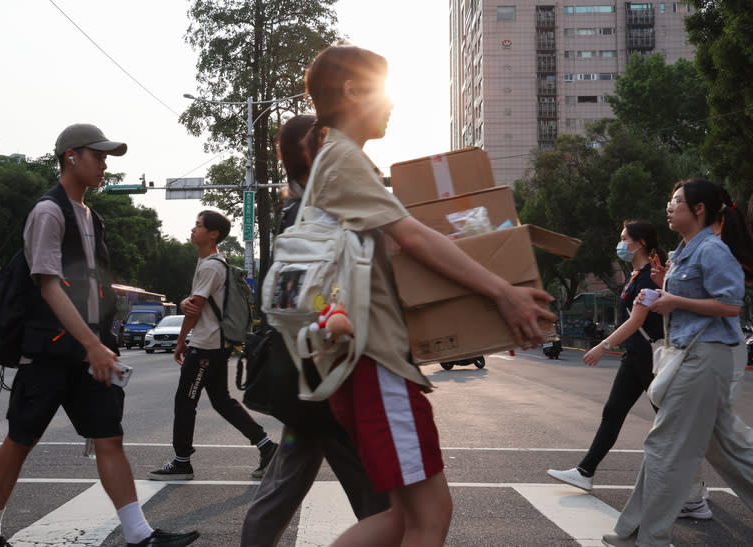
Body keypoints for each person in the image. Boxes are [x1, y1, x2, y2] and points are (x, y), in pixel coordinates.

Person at [299, 42, 556, 546]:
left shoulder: (342, 160)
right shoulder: (342, 159)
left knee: (404, 517)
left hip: (368, 360)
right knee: (428, 515)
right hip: (373, 363)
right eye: (383, 90)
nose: (392, 103)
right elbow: (413, 238)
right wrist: (502, 291)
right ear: (352, 90)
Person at [0, 123, 199, 547]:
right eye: (98, 155)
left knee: (110, 437)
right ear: (71, 156)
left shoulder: (93, 217)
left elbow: (95, 287)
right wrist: (92, 344)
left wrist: (103, 344)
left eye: (106, 157)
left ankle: (139, 535)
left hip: (88, 354)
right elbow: (48, 284)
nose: (105, 165)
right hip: (49, 352)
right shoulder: (48, 211)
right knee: (21, 440)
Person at [240, 115, 389, 547]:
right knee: (379, 502)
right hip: (332, 372)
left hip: (304, 373)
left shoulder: (296, 208)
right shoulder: (326, 204)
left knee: (284, 486)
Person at [602, 178, 753, 547]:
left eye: (677, 202)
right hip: (692, 355)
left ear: (699, 210)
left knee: (664, 446)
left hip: (704, 357)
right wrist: (665, 288)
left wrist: (675, 301)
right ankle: (638, 531)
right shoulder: (684, 251)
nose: (669, 207)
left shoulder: (712, 251)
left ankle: (646, 535)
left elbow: (731, 306)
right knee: (728, 449)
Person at [148, 210, 277, 482]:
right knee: (222, 402)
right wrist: (187, 304)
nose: (193, 229)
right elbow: (199, 302)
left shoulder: (210, 265)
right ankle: (268, 448)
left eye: (198, 226)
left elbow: (195, 308)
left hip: (206, 347)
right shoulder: (214, 262)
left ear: (213, 234)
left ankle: (182, 462)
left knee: (185, 402)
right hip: (216, 345)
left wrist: (181, 340)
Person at [548, 220, 664, 492]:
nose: (620, 243)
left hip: (649, 357)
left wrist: (603, 346)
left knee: (670, 420)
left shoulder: (648, 277)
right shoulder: (636, 276)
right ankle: (585, 471)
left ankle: (694, 486)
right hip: (635, 355)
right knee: (613, 412)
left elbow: (636, 321)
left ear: (641, 243)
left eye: (624, 238)